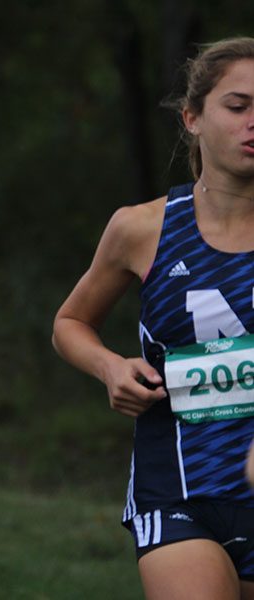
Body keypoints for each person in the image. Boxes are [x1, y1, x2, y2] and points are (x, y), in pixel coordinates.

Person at [52, 38, 254, 600]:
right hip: (177, 491)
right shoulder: (142, 229)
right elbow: (70, 323)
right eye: (238, 107)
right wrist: (110, 368)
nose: (253, 123)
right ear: (192, 118)